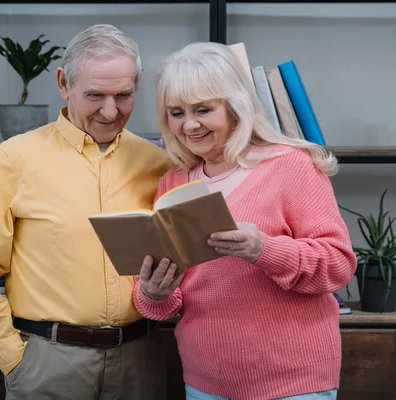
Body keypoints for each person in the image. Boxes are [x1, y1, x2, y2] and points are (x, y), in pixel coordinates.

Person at [0, 24, 173, 400]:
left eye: (124, 95)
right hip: (47, 364)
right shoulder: (14, 160)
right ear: (63, 83)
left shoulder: (160, 164)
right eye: (95, 95)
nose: (110, 110)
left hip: (142, 359)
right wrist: (10, 354)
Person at [133, 41, 357, 400]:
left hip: (293, 384)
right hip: (206, 383)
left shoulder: (289, 165)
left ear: (235, 106)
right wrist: (153, 292)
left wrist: (263, 249)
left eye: (203, 109)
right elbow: (168, 302)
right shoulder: (173, 182)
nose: (189, 125)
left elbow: (338, 265)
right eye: (176, 113)